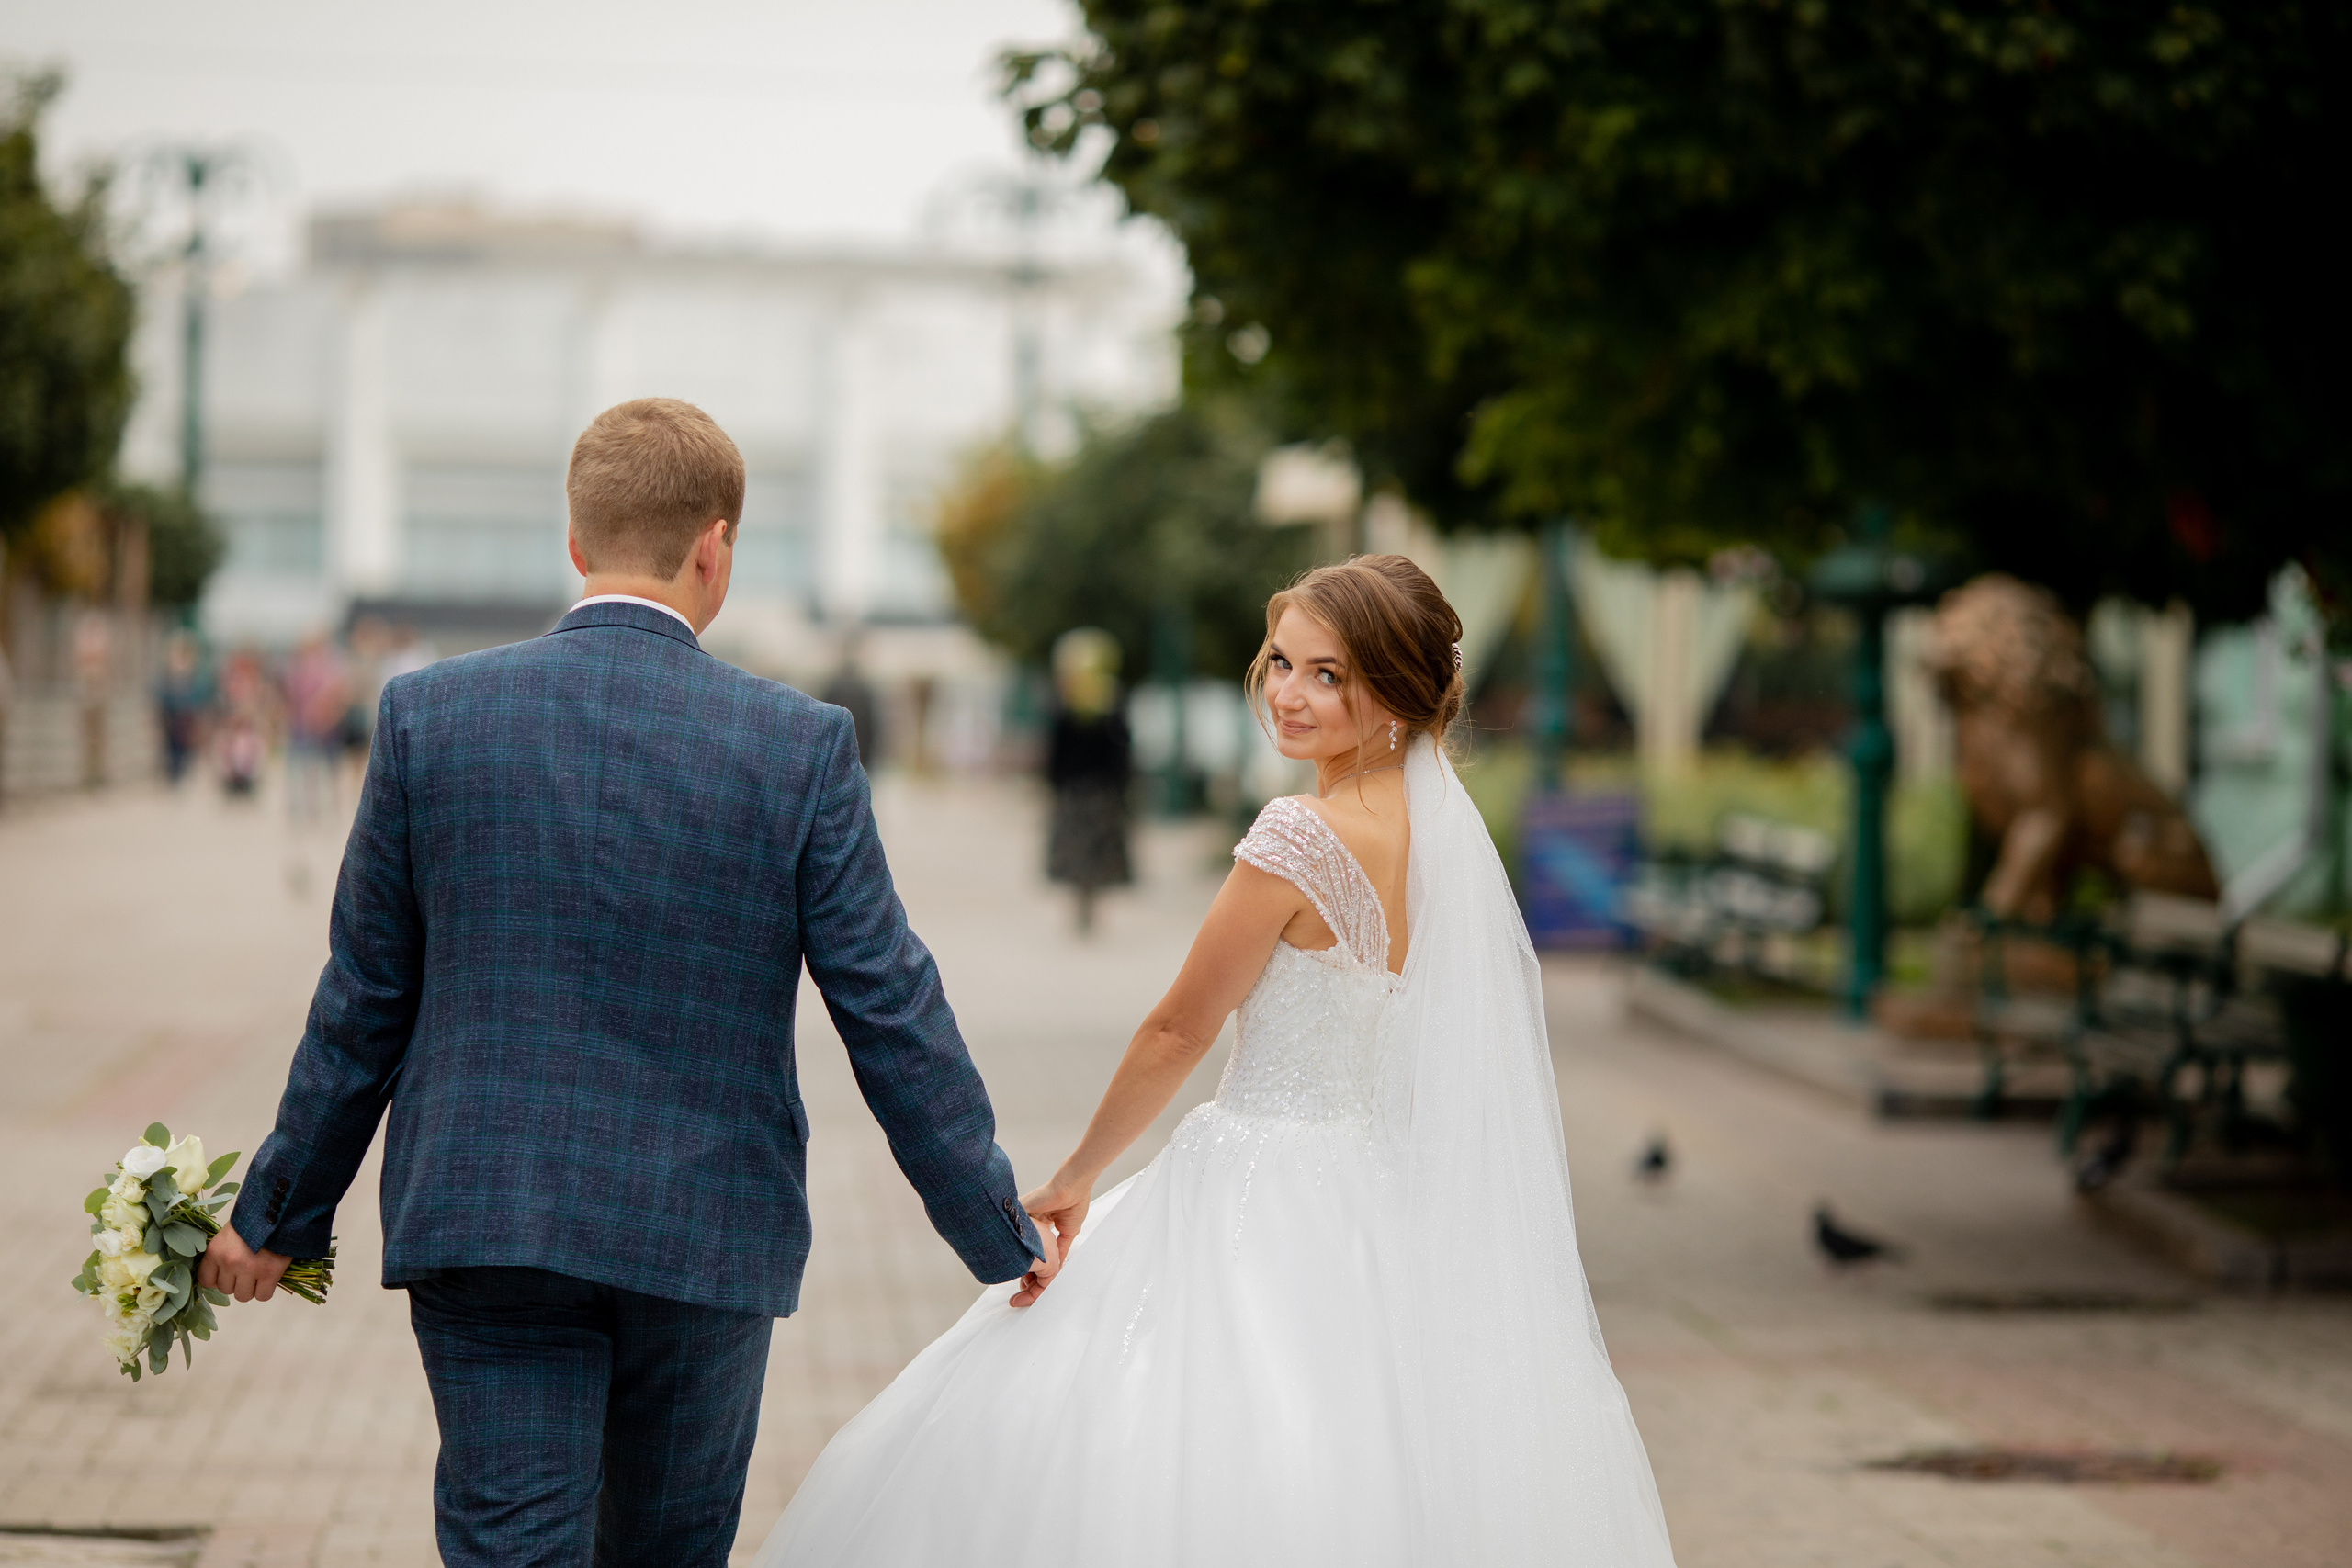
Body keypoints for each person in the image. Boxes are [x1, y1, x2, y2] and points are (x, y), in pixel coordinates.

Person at [198, 398, 1055, 1567]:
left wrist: (278, 1213)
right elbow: (889, 1007)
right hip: (703, 1231)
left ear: (574, 541)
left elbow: (363, 1001)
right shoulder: (796, 745)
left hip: (488, 1215)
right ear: (716, 546)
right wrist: (999, 1228)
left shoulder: (428, 717)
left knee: (514, 1548)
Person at [758, 556, 1678, 1567]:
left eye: (1332, 675)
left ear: (1400, 692)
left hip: (1256, 1181)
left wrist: (1075, 1177)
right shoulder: (1441, 846)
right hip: (1384, 1195)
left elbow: (1177, 1031)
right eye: (1282, 661)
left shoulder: (1301, 835)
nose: (1290, 692)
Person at [1044, 626, 1133, 934]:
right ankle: (1091, 901)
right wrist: (1122, 786)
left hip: (1073, 788)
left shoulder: (1065, 702)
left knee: (1076, 849)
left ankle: (1081, 902)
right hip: (1103, 790)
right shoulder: (1112, 699)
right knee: (1098, 851)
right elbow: (1122, 749)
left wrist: (1054, 784)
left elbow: (1054, 751)